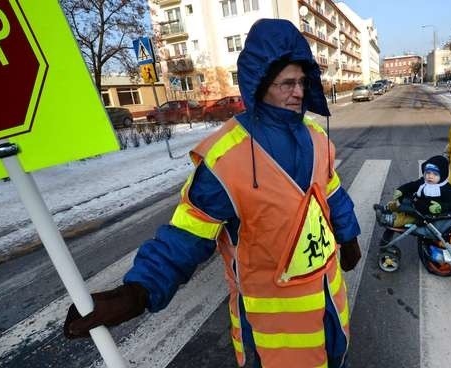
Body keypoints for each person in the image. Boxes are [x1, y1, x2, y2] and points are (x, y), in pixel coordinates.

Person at [63, 18, 362, 367]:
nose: (298, 92)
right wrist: (138, 292)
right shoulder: (227, 157)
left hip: (330, 311)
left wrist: (349, 235)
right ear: (262, 84)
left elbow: (332, 194)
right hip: (272, 335)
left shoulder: (315, 137)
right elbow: (187, 235)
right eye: (287, 84)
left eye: (302, 82)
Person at [374, 155, 451, 244]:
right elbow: (412, 185)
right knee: (398, 202)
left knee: (405, 218)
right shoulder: (423, 181)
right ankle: (385, 208)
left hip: (423, 214)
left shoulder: (447, 189)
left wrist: (441, 207)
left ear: (443, 175)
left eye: (435, 174)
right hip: (414, 203)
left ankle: (389, 219)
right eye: (428, 173)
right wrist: (401, 190)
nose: (430, 176)